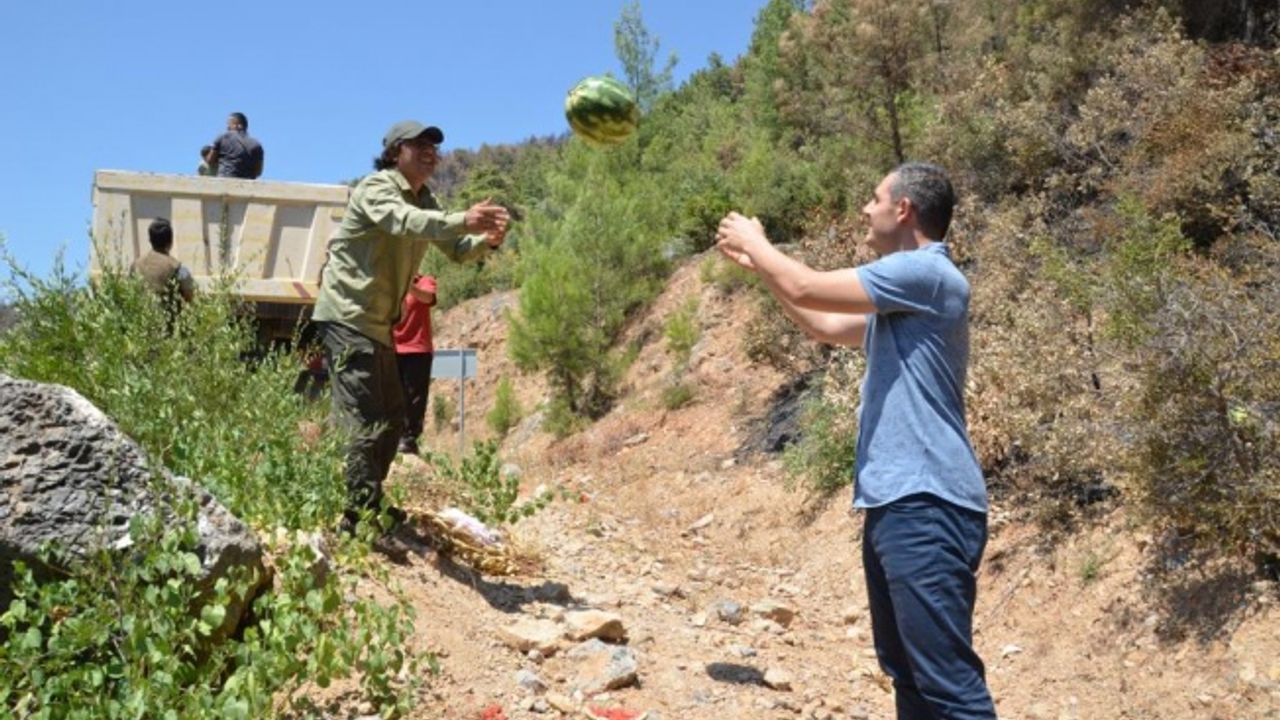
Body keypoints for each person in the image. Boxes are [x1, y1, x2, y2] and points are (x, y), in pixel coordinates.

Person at [716, 162, 997, 719]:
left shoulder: (926, 275)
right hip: (898, 503)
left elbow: (806, 283)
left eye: (874, 199)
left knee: (947, 685)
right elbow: (820, 322)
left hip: (928, 501)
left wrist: (760, 242)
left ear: (904, 209)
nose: (865, 210)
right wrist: (763, 269)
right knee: (909, 675)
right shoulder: (902, 305)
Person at [312, 120, 508, 536]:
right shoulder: (376, 188)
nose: (430, 152)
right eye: (419, 145)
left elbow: (456, 250)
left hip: (378, 324)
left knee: (392, 414)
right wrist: (462, 219)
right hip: (347, 315)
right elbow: (404, 222)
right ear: (394, 152)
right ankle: (356, 516)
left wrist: (487, 240)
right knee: (363, 416)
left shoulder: (427, 198)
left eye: (434, 147)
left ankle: (371, 499)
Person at [393, 274, 437, 456]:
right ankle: (393, 437)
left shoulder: (425, 281)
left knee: (414, 397)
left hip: (417, 349)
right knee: (393, 396)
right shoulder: (391, 282)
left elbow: (427, 297)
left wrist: (408, 285)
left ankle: (409, 439)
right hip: (393, 348)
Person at [132, 217, 196, 318]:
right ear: (170, 241)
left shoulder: (135, 265)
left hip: (139, 326)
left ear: (150, 240)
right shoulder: (178, 268)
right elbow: (189, 297)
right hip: (167, 328)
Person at [207, 112, 264, 179]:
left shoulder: (223, 137)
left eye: (229, 124)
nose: (227, 127)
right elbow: (258, 172)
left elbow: (210, 160)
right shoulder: (257, 144)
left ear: (238, 125)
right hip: (247, 181)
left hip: (225, 178)